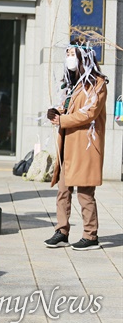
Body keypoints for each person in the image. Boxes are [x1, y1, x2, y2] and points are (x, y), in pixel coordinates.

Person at [43, 39, 108, 251]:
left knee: (85, 193)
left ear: (83, 57)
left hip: (85, 146)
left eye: (72, 53)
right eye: (67, 53)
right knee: (63, 190)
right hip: (67, 145)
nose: (69, 58)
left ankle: (90, 236)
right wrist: (56, 112)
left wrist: (63, 120)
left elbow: (89, 112)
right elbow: (67, 108)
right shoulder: (71, 83)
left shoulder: (98, 83)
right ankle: (61, 231)